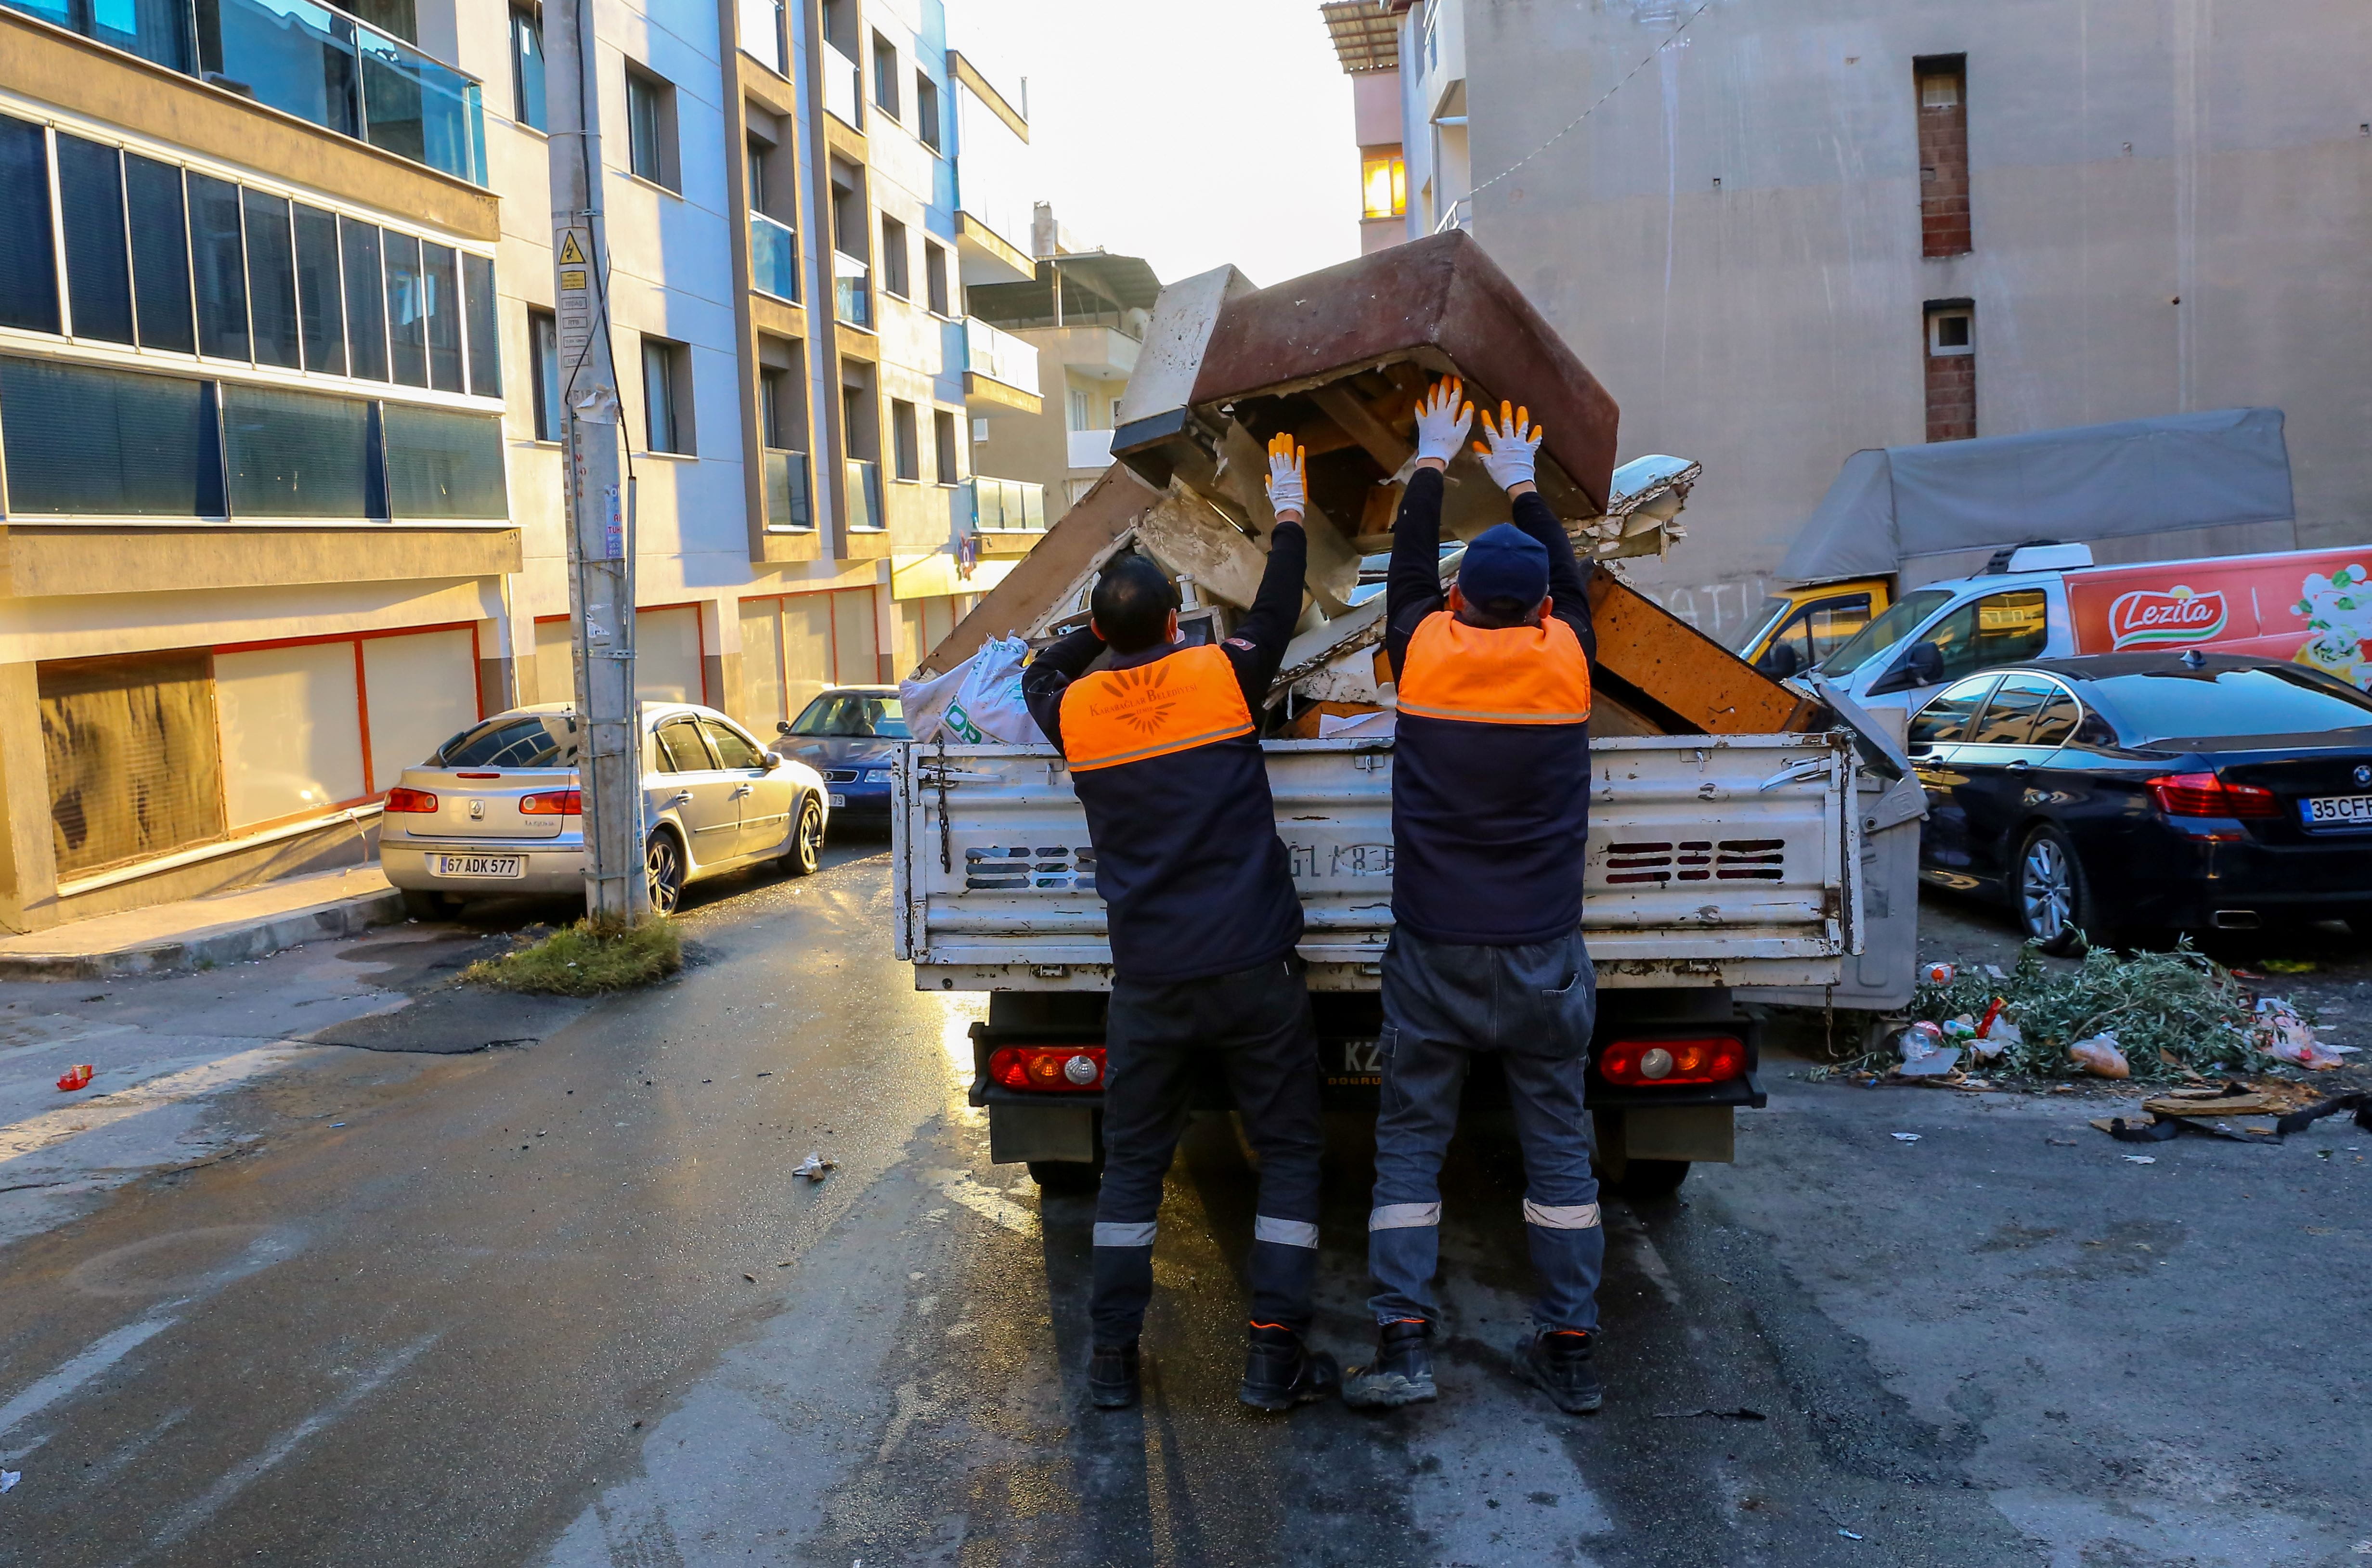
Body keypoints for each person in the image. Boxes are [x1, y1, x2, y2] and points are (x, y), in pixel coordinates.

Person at [1020, 434, 1338, 1415]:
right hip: (1253, 970)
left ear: (1109, 633)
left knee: (1133, 1172)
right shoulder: (1221, 680)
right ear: (1175, 620)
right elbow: (1279, 609)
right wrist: (1287, 509)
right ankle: (1271, 1354)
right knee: (1287, 1151)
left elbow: (1037, 675)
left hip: (1150, 982)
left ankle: (1113, 1357)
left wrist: (1095, 626)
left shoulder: (1074, 712)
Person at [1339, 379, 1607, 1415]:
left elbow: (1405, 571)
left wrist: (1429, 462)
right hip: (1543, 957)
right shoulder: (1569, 660)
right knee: (1558, 1153)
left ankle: (1403, 1342)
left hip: (1435, 953)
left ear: (1456, 604)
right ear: (1542, 609)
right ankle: (1571, 1350)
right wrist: (1524, 484)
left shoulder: (1425, 653)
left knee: (1410, 1142)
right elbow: (1574, 582)